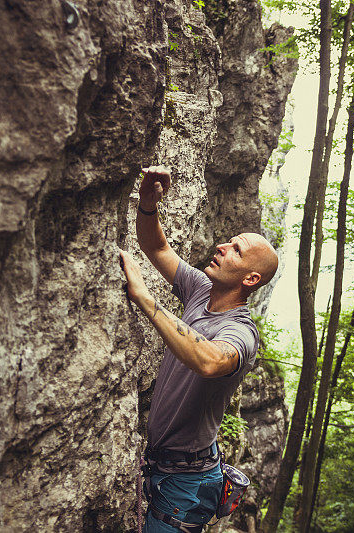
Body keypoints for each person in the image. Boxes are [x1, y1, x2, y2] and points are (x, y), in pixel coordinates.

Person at [119, 165, 279, 532]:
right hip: (165, 467)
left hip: (186, 484)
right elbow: (156, 247)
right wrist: (147, 204)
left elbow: (210, 361)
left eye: (235, 249)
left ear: (250, 278)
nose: (222, 246)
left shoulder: (242, 333)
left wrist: (146, 300)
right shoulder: (201, 290)